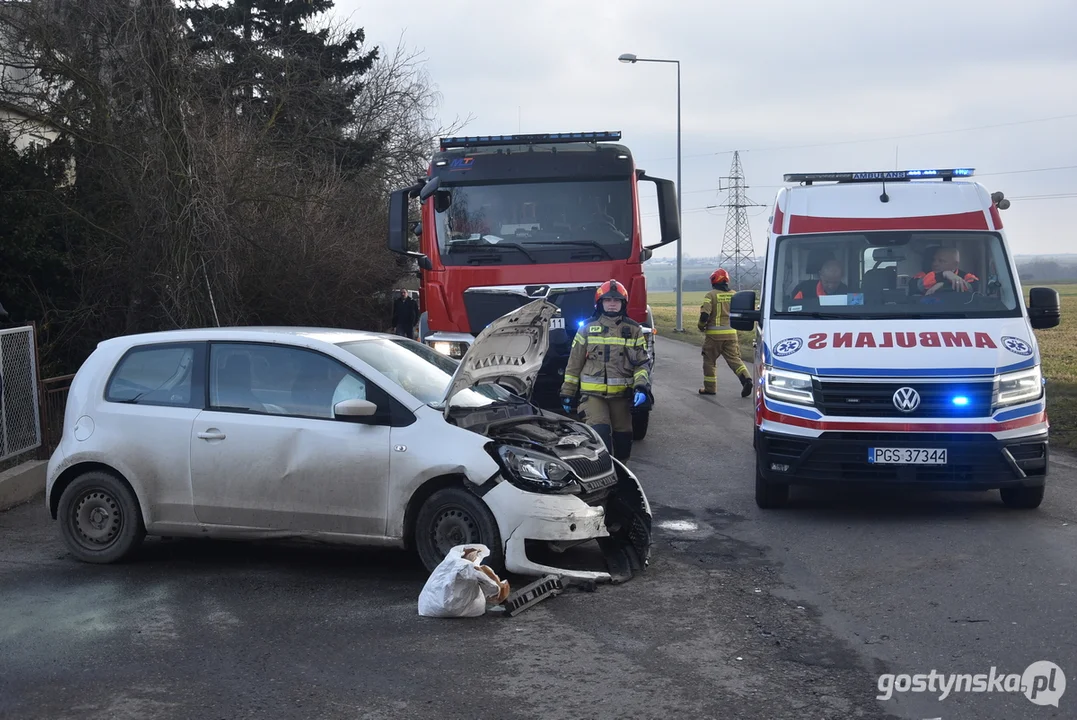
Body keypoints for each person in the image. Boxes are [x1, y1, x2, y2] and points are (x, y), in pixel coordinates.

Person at [559, 279, 651, 462]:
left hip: (622, 397)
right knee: (600, 439)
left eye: (616, 300)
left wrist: (641, 387)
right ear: (599, 303)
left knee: (623, 443)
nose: (611, 304)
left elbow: (642, 363)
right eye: (607, 300)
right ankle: (604, 481)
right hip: (592, 395)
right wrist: (567, 392)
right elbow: (574, 363)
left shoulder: (634, 330)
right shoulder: (585, 328)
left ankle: (621, 479)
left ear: (623, 303)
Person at [697, 268, 753, 397]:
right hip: (731, 334)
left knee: (709, 361)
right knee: (735, 359)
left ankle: (710, 388)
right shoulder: (735, 294)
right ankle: (747, 379)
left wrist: (700, 326)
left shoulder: (710, 295)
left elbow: (705, 315)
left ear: (713, 280)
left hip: (714, 337)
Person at [913, 247, 979, 295]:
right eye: (934, 260)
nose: (935, 264)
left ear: (955, 264)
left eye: (941, 261)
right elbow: (914, 286)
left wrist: (942, 284)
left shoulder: (967, 277)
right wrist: (944, 274)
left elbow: (972, 288)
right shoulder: (923, 275)